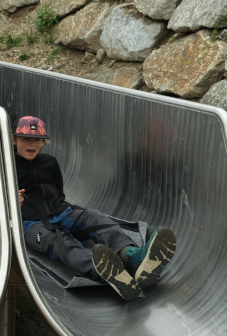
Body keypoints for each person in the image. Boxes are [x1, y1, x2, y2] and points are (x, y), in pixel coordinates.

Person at [13, 116, 177, 301]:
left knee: (94, 217)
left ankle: (133, 258)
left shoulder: (49, 162)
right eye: (25, 138)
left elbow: (59, 193)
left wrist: (69, 211)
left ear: (43, 142)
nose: (31, 144)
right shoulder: (8, 166)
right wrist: (11, 201)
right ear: (14, 140)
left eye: (36, 139)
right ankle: (105, 271)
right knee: (59, 241)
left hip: (60, 213)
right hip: (31, 223)